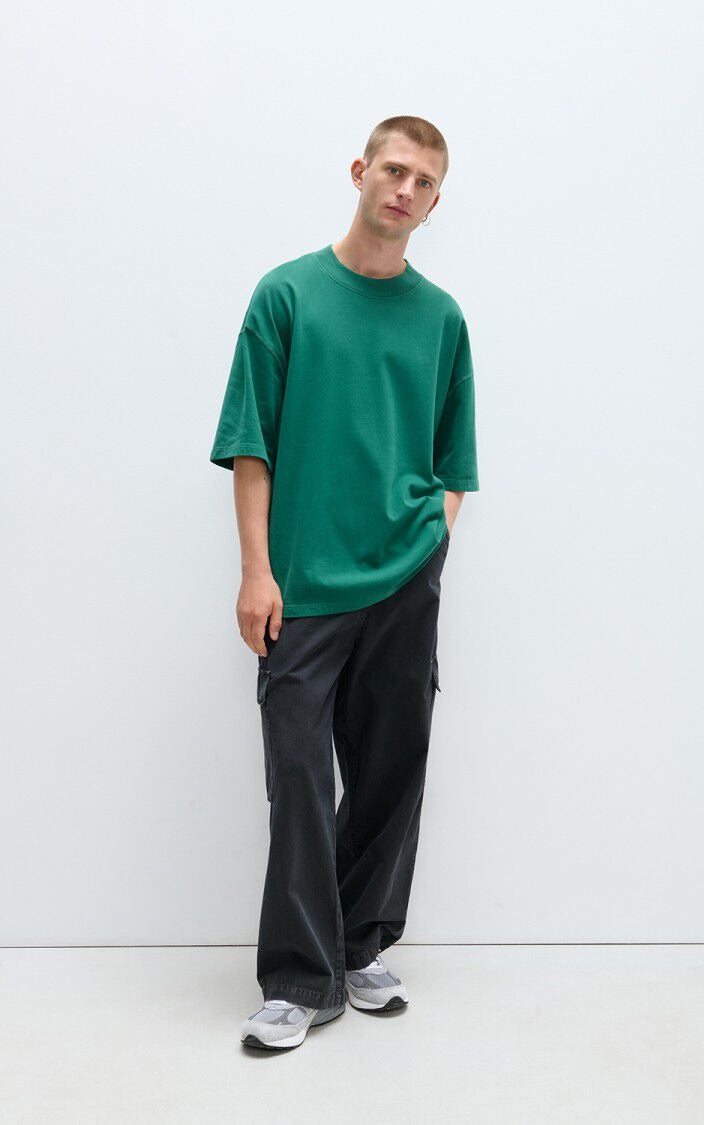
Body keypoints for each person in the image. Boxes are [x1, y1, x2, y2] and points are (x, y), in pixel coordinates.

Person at [210, 115, 479, 1050]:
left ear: (435, 203)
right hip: (303, 584)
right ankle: (297, 977)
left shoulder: (441, 318)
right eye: (394, 170)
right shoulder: (286, 295)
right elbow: (251, 443)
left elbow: (454, 460)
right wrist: (257, 571)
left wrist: (427, 539)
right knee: (297, 774)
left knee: (390, 770)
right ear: (360, 171)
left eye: (425, 182)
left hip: (405, 579)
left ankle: (358, 945)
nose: (406, 190)